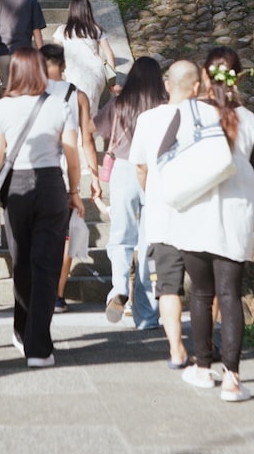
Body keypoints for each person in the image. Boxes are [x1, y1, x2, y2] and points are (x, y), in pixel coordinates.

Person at [176, 46, 254, 402]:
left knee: (200, 293)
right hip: (235, 215)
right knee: (229, 294)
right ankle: (232, 379)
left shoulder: (188, 113)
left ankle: (202, 368)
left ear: (203, 75)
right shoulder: (249, 119)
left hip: (195, 212)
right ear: (238, 77)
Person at [0, 48, 83, 367]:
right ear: (40, 71)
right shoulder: (58, 104)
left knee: (22, 260)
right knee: (47, 265)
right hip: (51, 184)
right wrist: (75, 191)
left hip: (16, 188)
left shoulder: (2, 107)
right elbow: (71, 155)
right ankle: (38, 346)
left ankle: (23, 330)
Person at [128, 59, 202, 370]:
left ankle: (176, 349)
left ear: (167, 85)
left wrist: (151, 193)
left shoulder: (147, 120)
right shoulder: (206, 118)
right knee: (202, 284)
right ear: (197, 87)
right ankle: (203, 346)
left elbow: (140, 167)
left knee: (168, 286)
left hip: (162, 213)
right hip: (199, 213)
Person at [97, 56, 167, 329]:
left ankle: (117, 289)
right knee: (148, 244)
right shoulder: (164, 108)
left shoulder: (119, 103)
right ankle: (147, 316)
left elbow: (95, 127)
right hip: (156, 173)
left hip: (124, 170)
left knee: (121, 236)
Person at [41, 43, 100, 313]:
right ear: (63, 65)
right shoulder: (78, 95)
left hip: (33, 172)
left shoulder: (28, 92)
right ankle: (57, 294)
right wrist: (95, 175)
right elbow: (87, 139)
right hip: (65, 172)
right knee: (63, 237)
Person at [52, 0, 117, 115]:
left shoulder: (63, 31)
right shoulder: (96, 29)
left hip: (75, 74)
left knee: (75, 113)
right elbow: (110, 55)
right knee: (91, 112)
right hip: (97, 74)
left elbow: (54, 56)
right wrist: (112, 82)